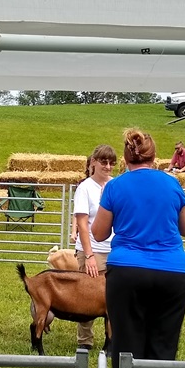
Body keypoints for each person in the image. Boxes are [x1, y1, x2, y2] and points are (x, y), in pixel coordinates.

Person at [92, 129, 185, 368]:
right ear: (154, 155)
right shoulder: (172, 183)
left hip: (128, 272)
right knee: (163, 344)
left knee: (127, 343)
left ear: (125, 158)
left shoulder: (115, 186)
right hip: (172, 273)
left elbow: (98, 233)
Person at [73, 144, 117, 348]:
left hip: (115, 251)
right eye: (103, 162)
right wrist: (89, 255)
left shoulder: (116, 185)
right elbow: (82, 223)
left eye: (111, 163)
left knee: (115, 297)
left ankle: (111, 340)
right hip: (93, 250)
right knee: (87, 296)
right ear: (93, 162)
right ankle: (85, 340)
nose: (107, 166)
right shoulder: (85, 188)